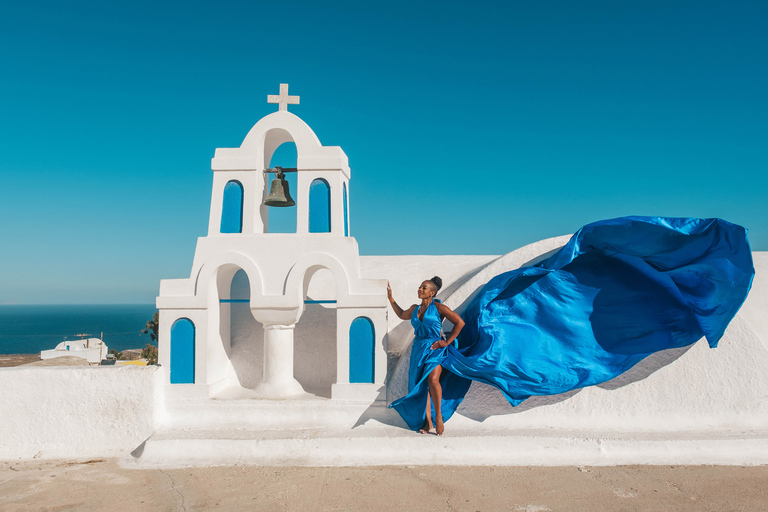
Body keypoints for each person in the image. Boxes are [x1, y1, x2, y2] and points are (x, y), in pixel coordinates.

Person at [387, 276, 464, 435]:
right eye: (420, 287)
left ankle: (439, 418)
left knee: (433, 379)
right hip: (418, 349)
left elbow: (459, 322)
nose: (420, 290)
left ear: (432, 292)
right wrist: (391, 299)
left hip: (435, 348)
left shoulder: (438, 308)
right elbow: (401, 314)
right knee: (421, 385)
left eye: (424, 288)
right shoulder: (414, 309)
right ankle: (428, 421)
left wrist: (447, 342)